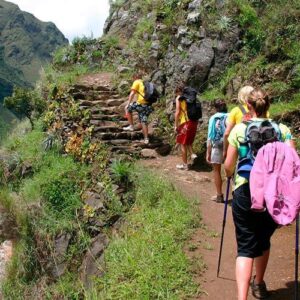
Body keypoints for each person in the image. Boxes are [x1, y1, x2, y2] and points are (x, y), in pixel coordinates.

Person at [224, 88, 295, 300]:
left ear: (248, 106)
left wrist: (230, 174)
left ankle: (242, 298)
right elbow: (293, 163)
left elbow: (228, 166)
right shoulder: (283, 130)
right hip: (274, 193)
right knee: (263, 240)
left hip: (245, 191)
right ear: (269, 105)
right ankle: (259, 283)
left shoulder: (239, 130)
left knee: (245, 245)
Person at [223, 85, 254, 159]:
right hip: (257, 145)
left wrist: (225, 150)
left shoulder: (236, 110)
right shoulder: (261, 109)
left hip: (241, 146)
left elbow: (227, 133)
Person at [206, 99, 228, 203]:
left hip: (217, 144)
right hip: (229, 144)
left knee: (216, 170)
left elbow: (210, 136)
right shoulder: (230, 116)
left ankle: (219, 195)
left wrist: (208, 152)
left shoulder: (213, 118)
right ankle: (234, 194)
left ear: (215, 108)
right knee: (232, 171)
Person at [123, 72, 154, 144]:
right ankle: (146, 139)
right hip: (148, 105)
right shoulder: (144, 83)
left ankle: (131, 126)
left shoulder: (136, 82)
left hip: (140, 104)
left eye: (132, 78)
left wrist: (128, 103)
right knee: (144, 121)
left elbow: (132, 93)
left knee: (128, 108)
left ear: (135, 77)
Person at [174, 84, 198, 170]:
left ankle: (184, 165)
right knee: (188, 141)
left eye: (176, 94)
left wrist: (176, 125)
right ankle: (192, 154)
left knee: (182, 144)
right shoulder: (191, 97)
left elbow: (177, 112)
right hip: (194, 121)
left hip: (185, 122)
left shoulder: (179, 98)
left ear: (178, 92)